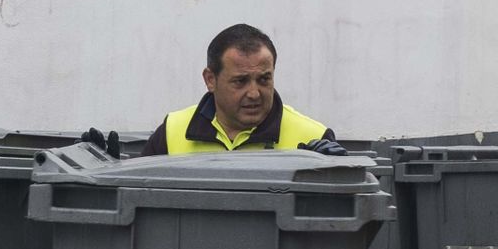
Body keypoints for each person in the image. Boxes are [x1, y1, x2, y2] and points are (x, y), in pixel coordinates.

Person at [131, 23, 345, 157]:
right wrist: (111, 170)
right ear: (210, 79)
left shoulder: (314, 137)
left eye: (264, 79)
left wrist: (334, 177)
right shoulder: (172, 132)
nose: (254, 93)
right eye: (240, 81)